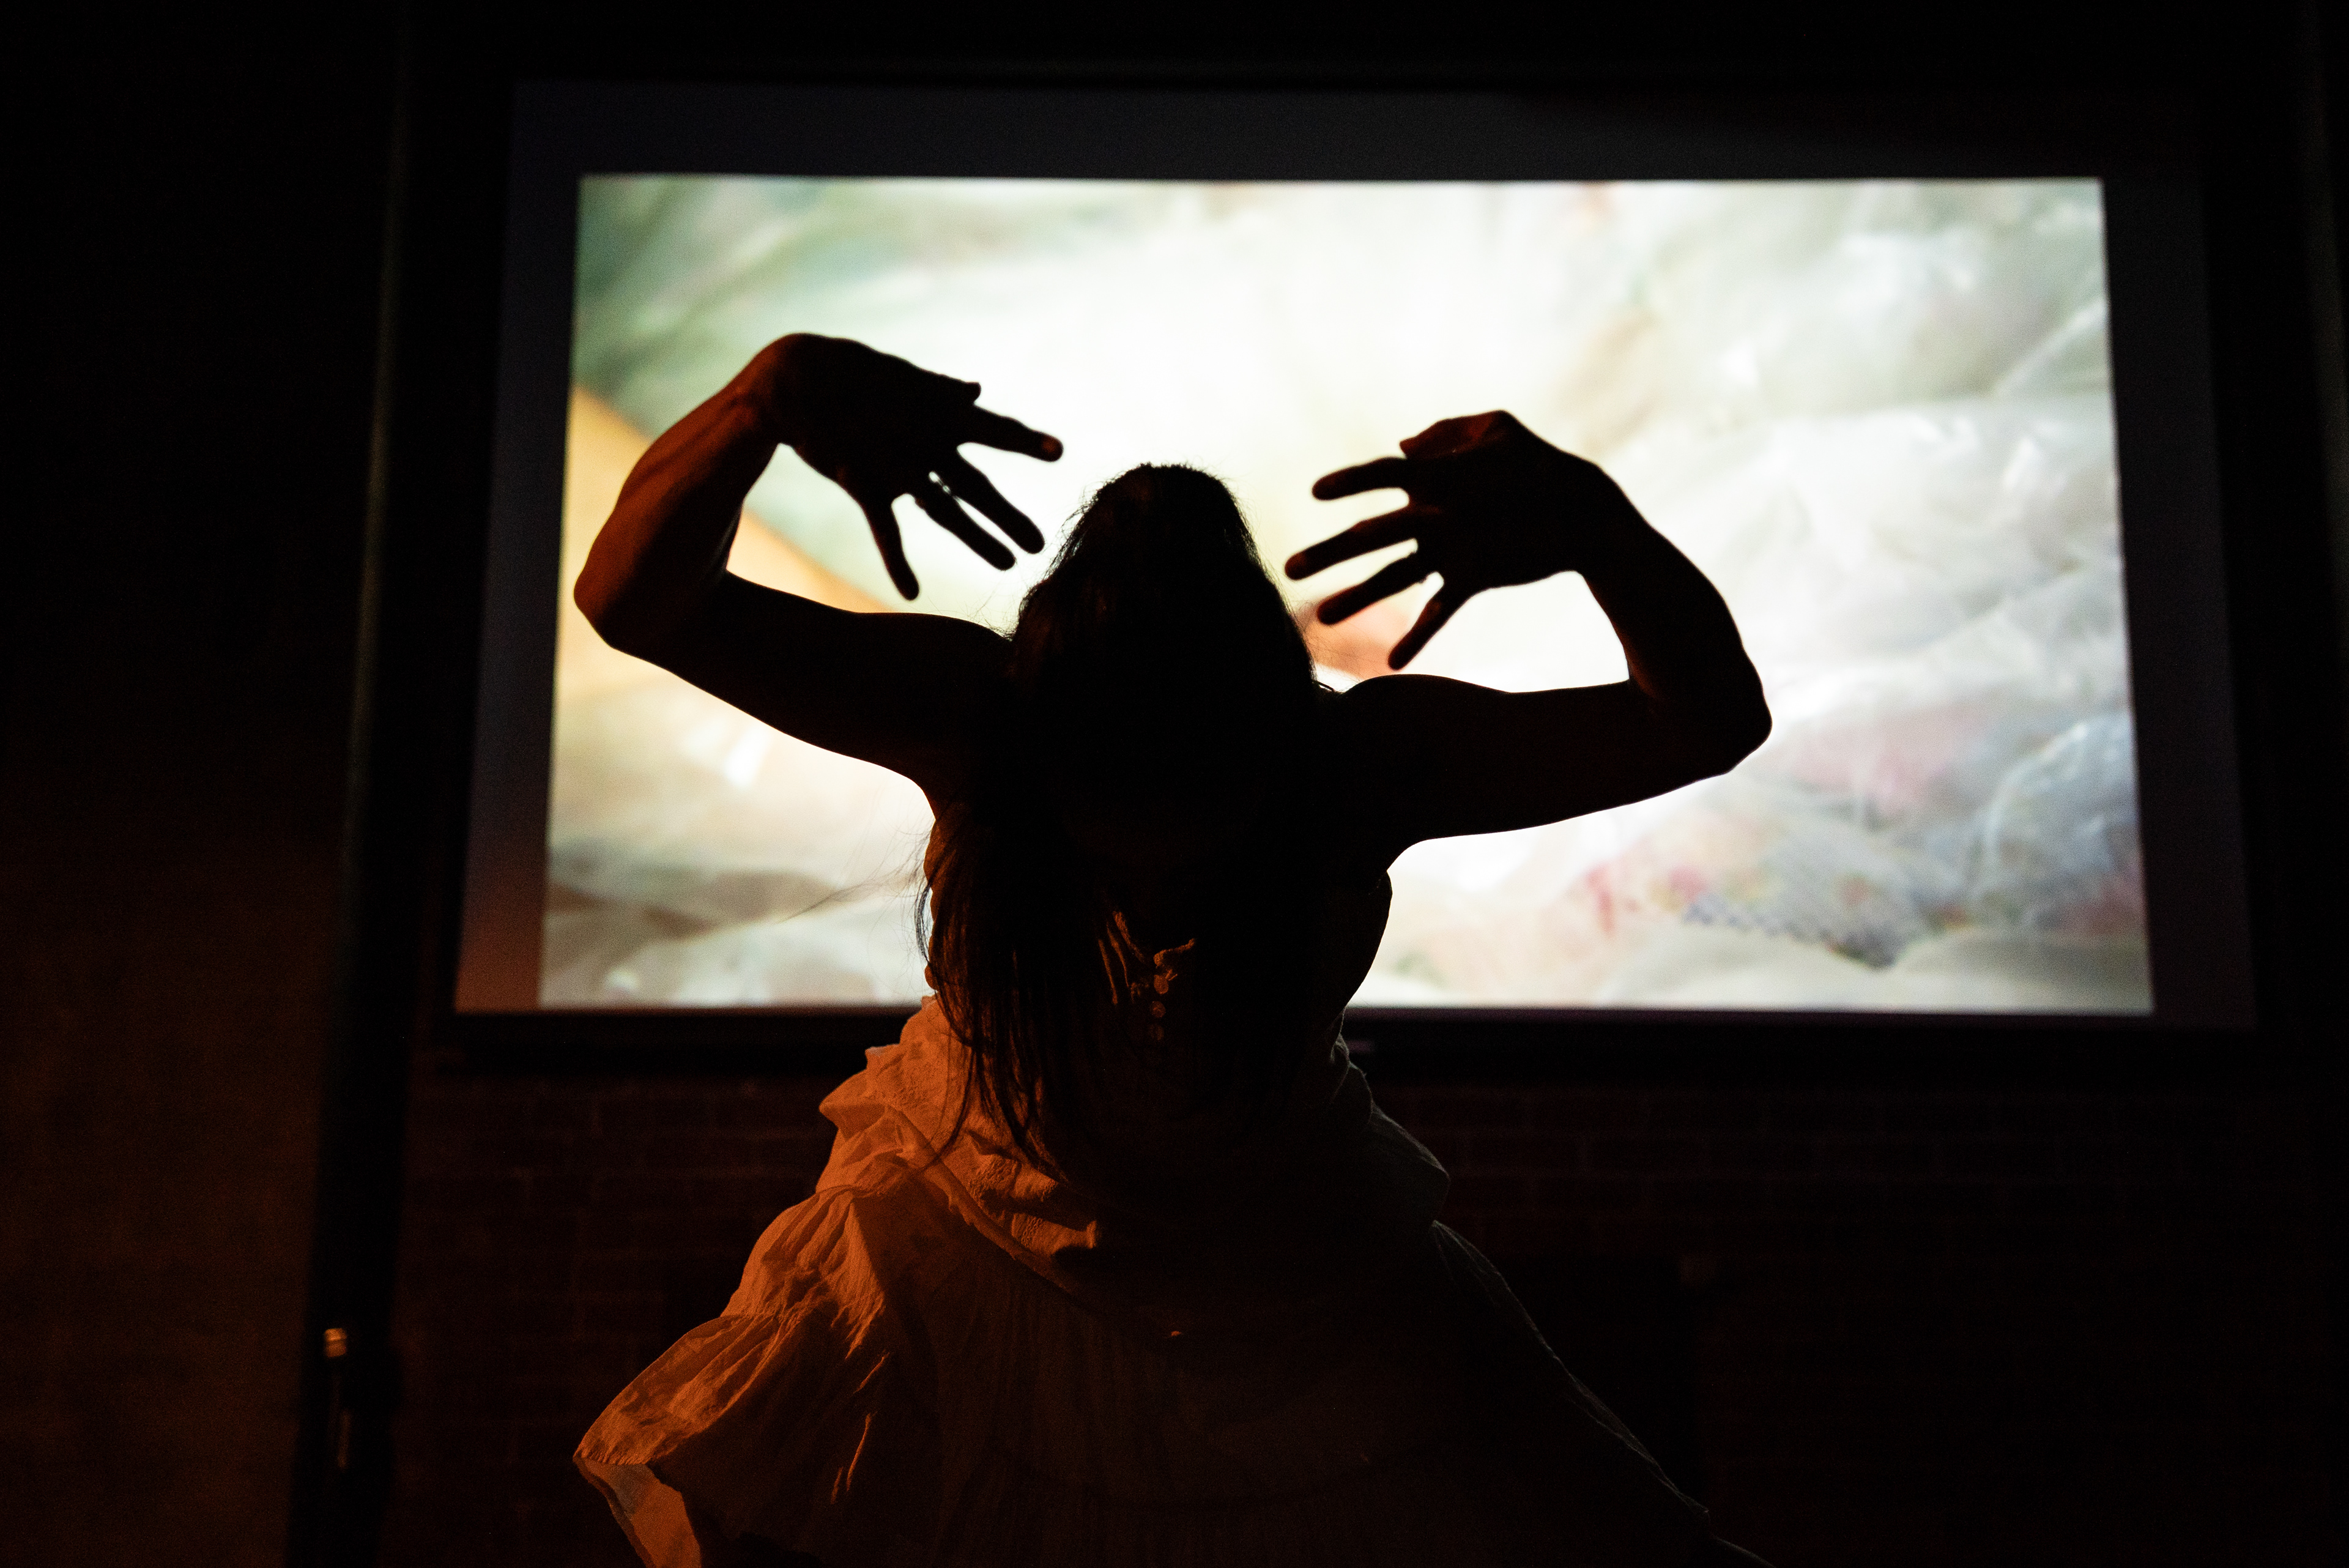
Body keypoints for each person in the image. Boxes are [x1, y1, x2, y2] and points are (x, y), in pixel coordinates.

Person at [571, 333, 1774, 1567]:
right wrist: (764, 395)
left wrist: (1593, 519)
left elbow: (1708, 726)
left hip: (1294, 1273)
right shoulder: (1004, 722)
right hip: (961, 1240)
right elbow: (631, 600)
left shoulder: (1339, 763)